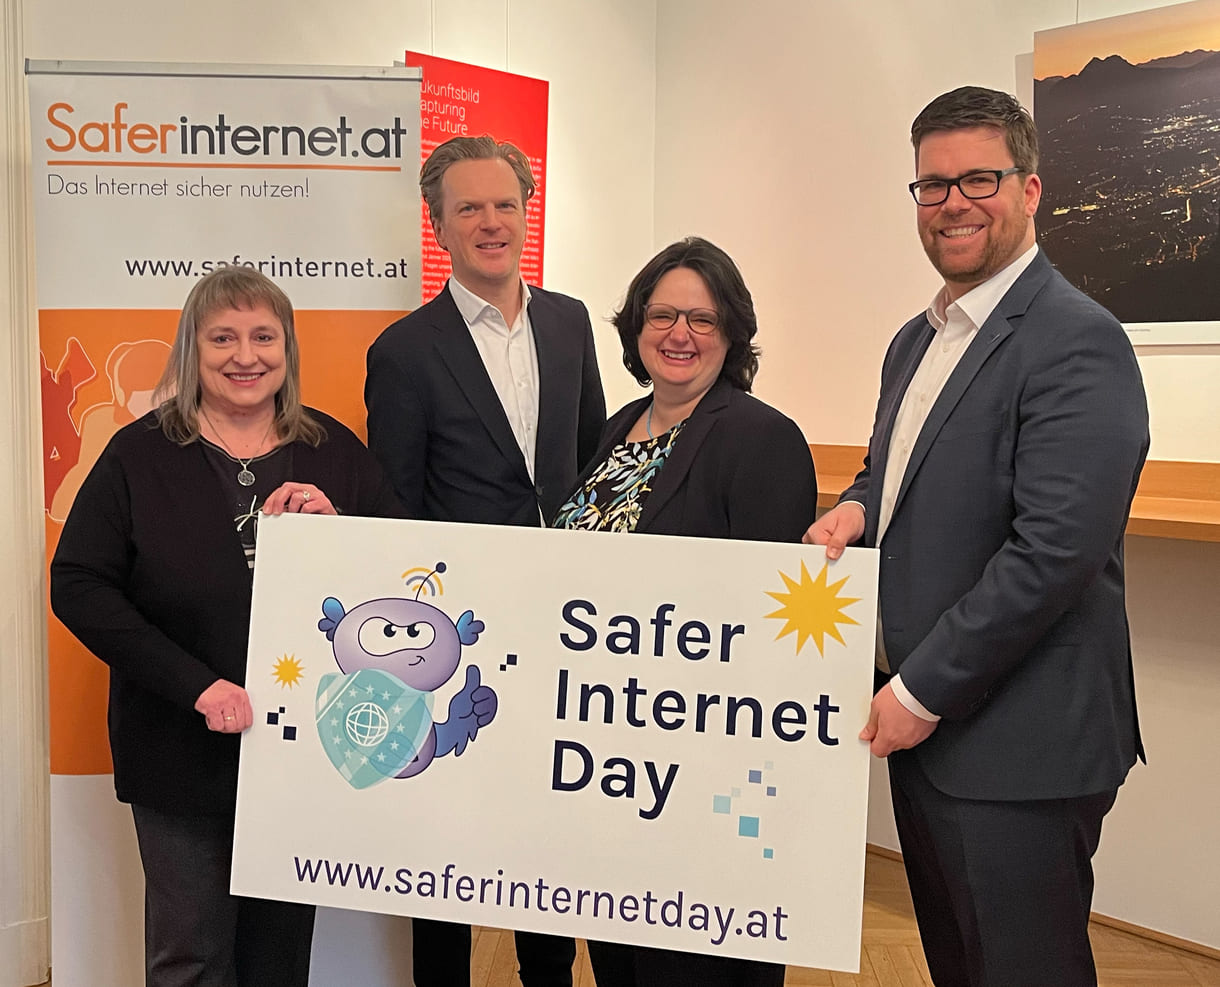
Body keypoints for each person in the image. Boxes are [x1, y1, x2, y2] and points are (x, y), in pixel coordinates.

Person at [805, 86, 1149, 987]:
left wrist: (917, 691)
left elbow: (1055, 551)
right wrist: (856, 506)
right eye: (932, 185)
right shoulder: (913, 343)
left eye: (979, 179)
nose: (953, 202)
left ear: (1030, 190)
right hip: (937, 737)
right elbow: (900, 473)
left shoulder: (1079, 339)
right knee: (963, 962)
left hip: (1017, 745)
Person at [51, 266, 403, 987]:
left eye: (263, 336)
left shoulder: (336, 451)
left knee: (278, 957)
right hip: (177, 746)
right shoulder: (137, 454)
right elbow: (78, 584)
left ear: (287, 349)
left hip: (302, 748)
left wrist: (342, 533)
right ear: (193, 349)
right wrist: (196, 686)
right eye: (223, 337)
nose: (246, 355)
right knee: (190, 954)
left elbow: (402, 582)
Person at [365, 135, 605, 987]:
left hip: (567, 625)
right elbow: (393, 506)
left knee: (549, 833)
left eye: (505, 203)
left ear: (526, 210)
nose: (491, 222)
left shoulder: (573, 321)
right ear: (439, 226)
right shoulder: (403, 350)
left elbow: (593, 465)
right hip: (457, 637)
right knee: (449, 840)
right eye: (468, 207)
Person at [554, 236, 816, 986]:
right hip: (610, 755)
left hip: (706, 776)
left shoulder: (761, 438)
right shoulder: (619, 429)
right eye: (663, 314)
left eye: (702, 319)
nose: (679, 334)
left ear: (732, 333)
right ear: (636, 328)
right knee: (621, 961)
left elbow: (772, 630)